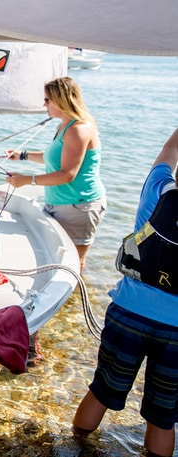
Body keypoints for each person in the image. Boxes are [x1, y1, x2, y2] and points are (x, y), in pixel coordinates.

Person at [72, 128, 178, 457]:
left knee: (102, 391)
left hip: (130, 312)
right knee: (163, 418)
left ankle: (75, 447)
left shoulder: (159, 192)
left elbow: (168, 151)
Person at [6, 76, 106, 272]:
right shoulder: (64, 126)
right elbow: (54, 159)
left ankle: (77, 298)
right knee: (59, 261)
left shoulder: (78, 129)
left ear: (61, 100)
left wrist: (27, 180)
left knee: (75, 264)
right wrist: (23, 155)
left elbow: (67, 174)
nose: (44, 104)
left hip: (79, 205)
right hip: (61, 203)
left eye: (47, 100)